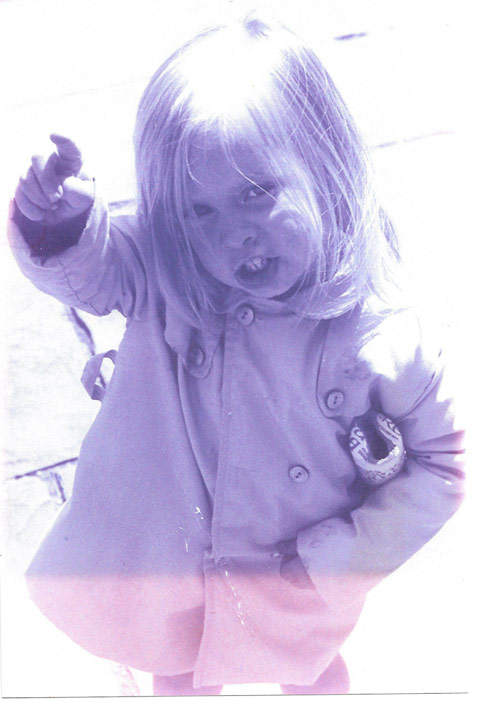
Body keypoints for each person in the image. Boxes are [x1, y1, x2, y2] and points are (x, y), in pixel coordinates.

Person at [8, 15, 465, 696]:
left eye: (257, 193)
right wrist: (61, 222)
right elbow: (97, 270)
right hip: (174, 555)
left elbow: (443, 467)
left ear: (323, 169)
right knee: (178, 666)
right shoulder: (169, 265)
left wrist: (340, 558)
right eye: (199, 211)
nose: (233, 236)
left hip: (294, 574)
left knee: (309, 671)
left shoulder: (383, 333)